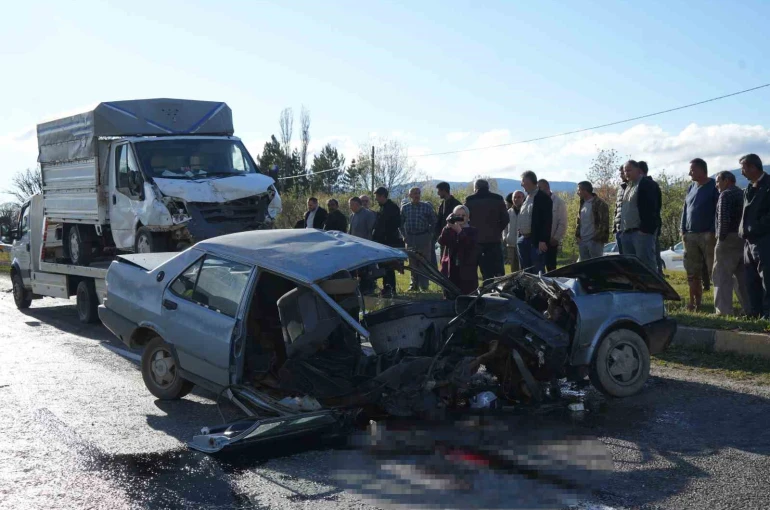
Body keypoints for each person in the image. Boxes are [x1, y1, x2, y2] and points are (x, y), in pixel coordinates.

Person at [681, 158, 719, 310]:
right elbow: (685, 209)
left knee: (713, 270)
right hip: (690, 235)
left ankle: (719, 305)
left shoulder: (714, 186)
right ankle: (694, 303)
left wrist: (712, 231)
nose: (689, 173)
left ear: (703, 170)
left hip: (707, 235)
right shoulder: (691, 187)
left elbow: (718, 210)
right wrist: (683, 230)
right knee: (692, 272)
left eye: (692, 170)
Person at [712, 171, 749, 316]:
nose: (716, 185)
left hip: (727, 238)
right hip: (742, 238)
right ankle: (749, 309)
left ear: (726, 180)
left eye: (718, 181)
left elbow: (723, 219)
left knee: (721, 275)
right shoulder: (742, 193)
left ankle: (723, 311)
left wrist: (720, 238)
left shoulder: (725, 195)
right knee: (742, 277)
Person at [739, 154, 770, 319]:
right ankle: (755, 312)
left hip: (764, 239)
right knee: (751, 278)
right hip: (748, 240)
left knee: (767, 277)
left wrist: (756, 227)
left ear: (753, 167)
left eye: (744, 168)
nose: (742, 172)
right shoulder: (749, 188)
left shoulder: (768, 185)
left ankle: (768, 313)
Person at [617, 160, 659, 272]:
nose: (626, 173)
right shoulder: (628, 186)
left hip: (641, 233)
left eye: (629, 170)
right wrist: (622, 231)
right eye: (625, 171)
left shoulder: (647, 184)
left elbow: (652, 209)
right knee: (631, 268)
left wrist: (645, 230)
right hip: (626, 233)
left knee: (646, 266)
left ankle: (651, 284)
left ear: (638, 170)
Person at [465, 179, 509, 281]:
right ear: (488, 187)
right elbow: (506, 219)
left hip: (476, 240)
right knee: (498, 271)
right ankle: (499, 288)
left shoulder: (470, 200)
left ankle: (485, 286)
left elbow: (465, 218)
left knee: (481, 270)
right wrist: (497, 230)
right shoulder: (498, 199)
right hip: (494, 240)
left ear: (475, 188)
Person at [400, 187, 437, 291]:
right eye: (414, 193)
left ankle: (424, 285)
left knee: (424, 261)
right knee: (412, 262)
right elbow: (400, 223)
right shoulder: (405, 208)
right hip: (410, 237)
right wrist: (404, 236)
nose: (417, 195)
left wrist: (429, 235)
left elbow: (434, 221)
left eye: (418, 193)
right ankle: (414, 285)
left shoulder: (426, 207)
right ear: (410, 195)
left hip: (423, 236)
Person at [439, 205, 479, 295]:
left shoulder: (473, 231)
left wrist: (460, 231)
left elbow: (470, 245)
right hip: (450, 266)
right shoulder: (449, 229)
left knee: (467, 293)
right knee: (450, 293)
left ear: (468, 217)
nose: (460, 217)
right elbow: (441, 241)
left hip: (466, 268)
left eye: (463, 215)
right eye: (457, 215)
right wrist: (447, 226)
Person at [517, 171, 552, 274]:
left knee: (537, 271)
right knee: (525, 272)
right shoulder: (527, 198)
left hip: (536, 242)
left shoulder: (543, 198)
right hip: (523, 240)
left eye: (522, 181)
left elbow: (547, 221)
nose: (521, 184)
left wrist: (543, 240)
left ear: (529, 181)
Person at [372, 187, 403, 297]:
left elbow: (396, 224)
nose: (376, 199)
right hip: (381, 241)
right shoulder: (382, 208)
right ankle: (386, 287)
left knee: (389, 265)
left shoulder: (392, 207)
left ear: (382, 196)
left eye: (377, 196)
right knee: (383, 266)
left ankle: (390, 288)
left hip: (389, 241)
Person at [639, 161, 664, 275]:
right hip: (647, 227)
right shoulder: (635, 185)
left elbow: (652, 207)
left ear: (639, 171)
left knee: (650, 256)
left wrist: (645, 227)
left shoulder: (650, 185)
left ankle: (656, 278)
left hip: (648, 228)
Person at [537, 179, 568, 271]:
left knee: (551, 268)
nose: (537, 190)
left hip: (551, 241)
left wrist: (555, 238)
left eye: (539, 188)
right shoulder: (536, 201)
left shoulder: (558, 202)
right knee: (538, 268)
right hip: (538, 242)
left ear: (547, 187)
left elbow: (562, 222)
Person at [349, 196, 378, 294]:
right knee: (357, 269)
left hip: (365, 246)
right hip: (354, 247)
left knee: (367, 269)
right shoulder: (352, 216)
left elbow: (371, 230)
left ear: (357, 204)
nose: (350, 207)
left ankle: (369, 288)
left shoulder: (368, 214)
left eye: (351, 205)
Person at [575, 181, 610, 260]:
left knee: (596, 264)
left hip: (595, 241)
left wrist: (596, 239)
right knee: (584, 265)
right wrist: (578, 236)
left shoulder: (600, 203)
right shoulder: (582, 203)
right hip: (582, 241)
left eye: (579, 190)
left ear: (585, 190)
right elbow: (579, 221)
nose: (578, 192)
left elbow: (604, 223)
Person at [436, 182, 462, 260]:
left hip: (454, 238)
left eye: (439, 191)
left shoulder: (456, 205)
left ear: (444, 190)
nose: (438, 193)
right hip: (444, 237)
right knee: (443, 260)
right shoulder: (442, 204)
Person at [503, 191, 525, 273]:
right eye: (514, 197)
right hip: (511, 244)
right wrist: (505, 237)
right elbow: (504, 227)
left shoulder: (526, 211)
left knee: (523, 267)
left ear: (523, 198)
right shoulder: (509, 212)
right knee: (513, 268)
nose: (516, 199)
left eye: (519, 197)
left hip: (523, 243)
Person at [614, 164, 628, 254]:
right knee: (623, 257)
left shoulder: (635, 187)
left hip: (629, 229)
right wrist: (614, 227)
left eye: (623, 173)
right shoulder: (620, 188)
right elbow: (617, 208)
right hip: (619, 229)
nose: (621, 176)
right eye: (620, 173)